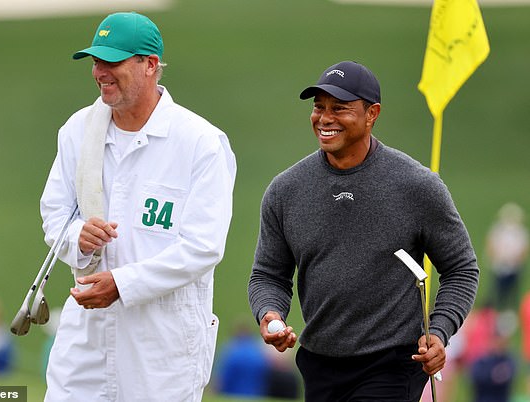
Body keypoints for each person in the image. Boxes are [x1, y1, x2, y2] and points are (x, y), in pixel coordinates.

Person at [248, 60, 479, 401]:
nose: (325, 118)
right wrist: (269, 313)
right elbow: (268, 275)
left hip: (392, 363)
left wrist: (441, 330)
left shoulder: (417, 186)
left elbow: (461, 269)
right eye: (319, 107)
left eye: (340, 109)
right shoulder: (286, 191)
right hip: (318, 363)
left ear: (372, 114)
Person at [40, 12, 236, 401]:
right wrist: (79, 237)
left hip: (162, 344)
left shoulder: (200, 142)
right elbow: (54, 215)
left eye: (112, 61)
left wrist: (123, 285)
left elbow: (204, 246)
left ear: (150, 65)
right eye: (96, 61)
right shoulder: (78, 130)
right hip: (86, 333)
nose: (100, 72)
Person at [485, 202, 529, 311]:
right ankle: (496, 313)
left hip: (514, 267)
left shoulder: (520, 232)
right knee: (498, 292)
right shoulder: (498, 230)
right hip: (500, 267)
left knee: (512, 293)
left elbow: (523, 250)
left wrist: (515, 260)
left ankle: (509, 313)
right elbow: (491, 246)